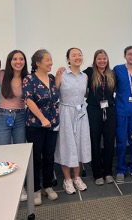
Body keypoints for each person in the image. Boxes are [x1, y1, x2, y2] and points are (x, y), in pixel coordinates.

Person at [22, 49, 60, 205]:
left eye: (51, 59)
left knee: (49, 156)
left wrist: (59, 77)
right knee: (36, 157)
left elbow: (54, 96)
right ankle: (36, 189)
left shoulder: (51, 78)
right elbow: (28, 100)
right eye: (47, 60)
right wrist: (43, 119)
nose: (50, 62)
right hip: (35, 124)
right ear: (38, 63)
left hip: (52, 124)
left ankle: (48, 186)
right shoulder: (29, 79)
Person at [55, 47, 91, 194]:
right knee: (66, 144)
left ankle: (77, 177)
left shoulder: (85, 76)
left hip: (81, 113)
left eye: (80, 54)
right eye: (73, 55)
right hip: (66, 112)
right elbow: (54, 94)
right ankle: (67, 180)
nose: (77, 57)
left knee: (80, 144)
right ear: (68, 59)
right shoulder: (61, 74)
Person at [83, 49, 116, 186]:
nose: (102, 61)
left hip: (110, 110)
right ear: (95, 60)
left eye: (104, 58)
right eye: (99, 59)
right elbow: (76, 77)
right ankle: (97, 173)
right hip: (94, 110)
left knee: (109, 142)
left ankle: (108, 172)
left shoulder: (112, 74)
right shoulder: (89, 73)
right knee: (95, 141)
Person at [113, 46, 132, 183]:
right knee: (120, 141)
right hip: (121, 110)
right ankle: (120, 169)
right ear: (124, 56)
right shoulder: (117, 69)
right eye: (129, 54)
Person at [0, 50, 28, 145]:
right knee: (3, 148)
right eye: (15, 59)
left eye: (21, 59)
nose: (18, 62)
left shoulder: (28, 78)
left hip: (21, 116)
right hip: (2, 115)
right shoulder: (1, 75)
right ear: (10, 61)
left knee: (20, 149)